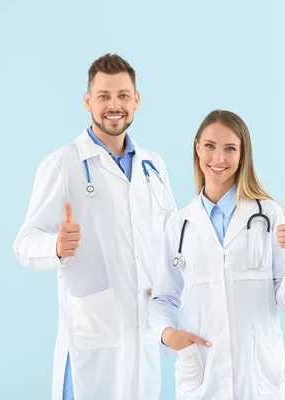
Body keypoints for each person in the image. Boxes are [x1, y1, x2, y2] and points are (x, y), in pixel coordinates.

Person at [13, 53, 176, 400]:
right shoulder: (63, 164)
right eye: (103, 96)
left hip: (144, 334)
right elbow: (25, 243)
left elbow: (173, 241)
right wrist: (55, 246)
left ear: (136, 100)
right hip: (94, 339)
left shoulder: (154, 166)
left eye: (122, 96)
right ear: (88, 101)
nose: (113, 105)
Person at [149, 109, 285, 399]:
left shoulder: (268, 215)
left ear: (242, 154)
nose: (219, 158)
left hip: (257, 377)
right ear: (197, 147)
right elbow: (163, 298)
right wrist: (168, 335)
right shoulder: (180, 225)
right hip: (202, 374)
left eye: (230, 149)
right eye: (210, 146)